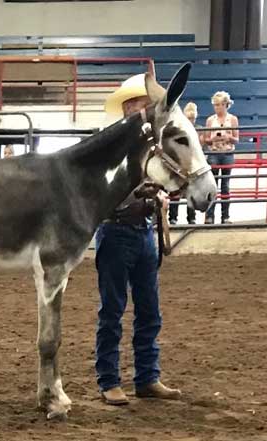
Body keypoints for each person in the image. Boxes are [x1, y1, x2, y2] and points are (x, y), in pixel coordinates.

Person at [96, 74, 181, 406]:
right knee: (112, 311)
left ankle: (147, 377)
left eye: (144, 106)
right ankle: (109, 381)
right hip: (116, 231)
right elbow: (102, 191)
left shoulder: (153, 150)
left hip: (144, 231)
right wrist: (140, 193)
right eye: (135, 106)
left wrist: (160, 194)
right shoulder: (109, 146)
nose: (140, 111)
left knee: (149, 311)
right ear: (126, 109)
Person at [204, 91, 239, 224]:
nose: (216, 107)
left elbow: (237, 139)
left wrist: (229, 137)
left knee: (225, 185)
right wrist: (212, 139)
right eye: (215, 105)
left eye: (219, 105)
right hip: (213, 153)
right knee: (212, 186)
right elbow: (206, 139)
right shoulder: (210, 120)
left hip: (227, 153)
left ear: (225, 105)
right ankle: (209, 216)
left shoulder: (233, 119)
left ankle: (225, 216)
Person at [168, 102, 199, 225]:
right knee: (176, 189)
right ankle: (173, 217)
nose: (191, 121)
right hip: (180, 164)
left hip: (192, 165)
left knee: (191, 190)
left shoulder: (196, 131)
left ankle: (191, 217)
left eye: (193, 118)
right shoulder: (178, 132)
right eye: (189, 118)